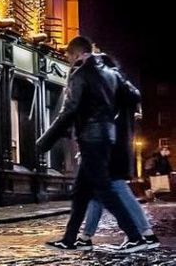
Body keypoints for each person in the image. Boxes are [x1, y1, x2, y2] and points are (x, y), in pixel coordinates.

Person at [36, 36, 151, 253]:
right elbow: (133, 94)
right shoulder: (110, 72)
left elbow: (68, 111)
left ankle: (136, 236)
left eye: (69, 56)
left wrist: (45, 141)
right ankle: (70, 239)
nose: (69, 60)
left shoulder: (80, 74)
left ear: (77, 54)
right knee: (81, 193)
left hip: (91, 139)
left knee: (105, 191)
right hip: (107, 137)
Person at [75, 56, 157, 249]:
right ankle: (85, 237)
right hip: (116, 146)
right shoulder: (121, 87)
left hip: (111, 148)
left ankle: (145, 234)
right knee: (98, 193)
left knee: (117, 187)